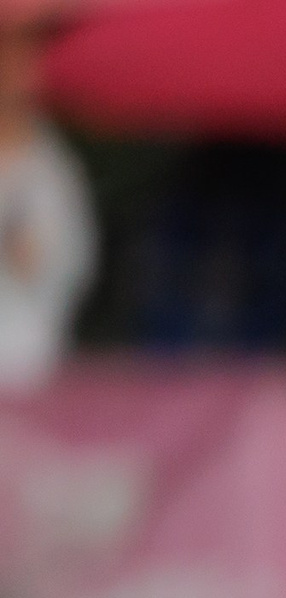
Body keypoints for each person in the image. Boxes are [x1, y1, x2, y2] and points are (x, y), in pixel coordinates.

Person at [0, 4, 92, 390]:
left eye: (26, 54)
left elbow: (75, 260)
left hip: (30, 365)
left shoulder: (52, 165)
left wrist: (39, 258)